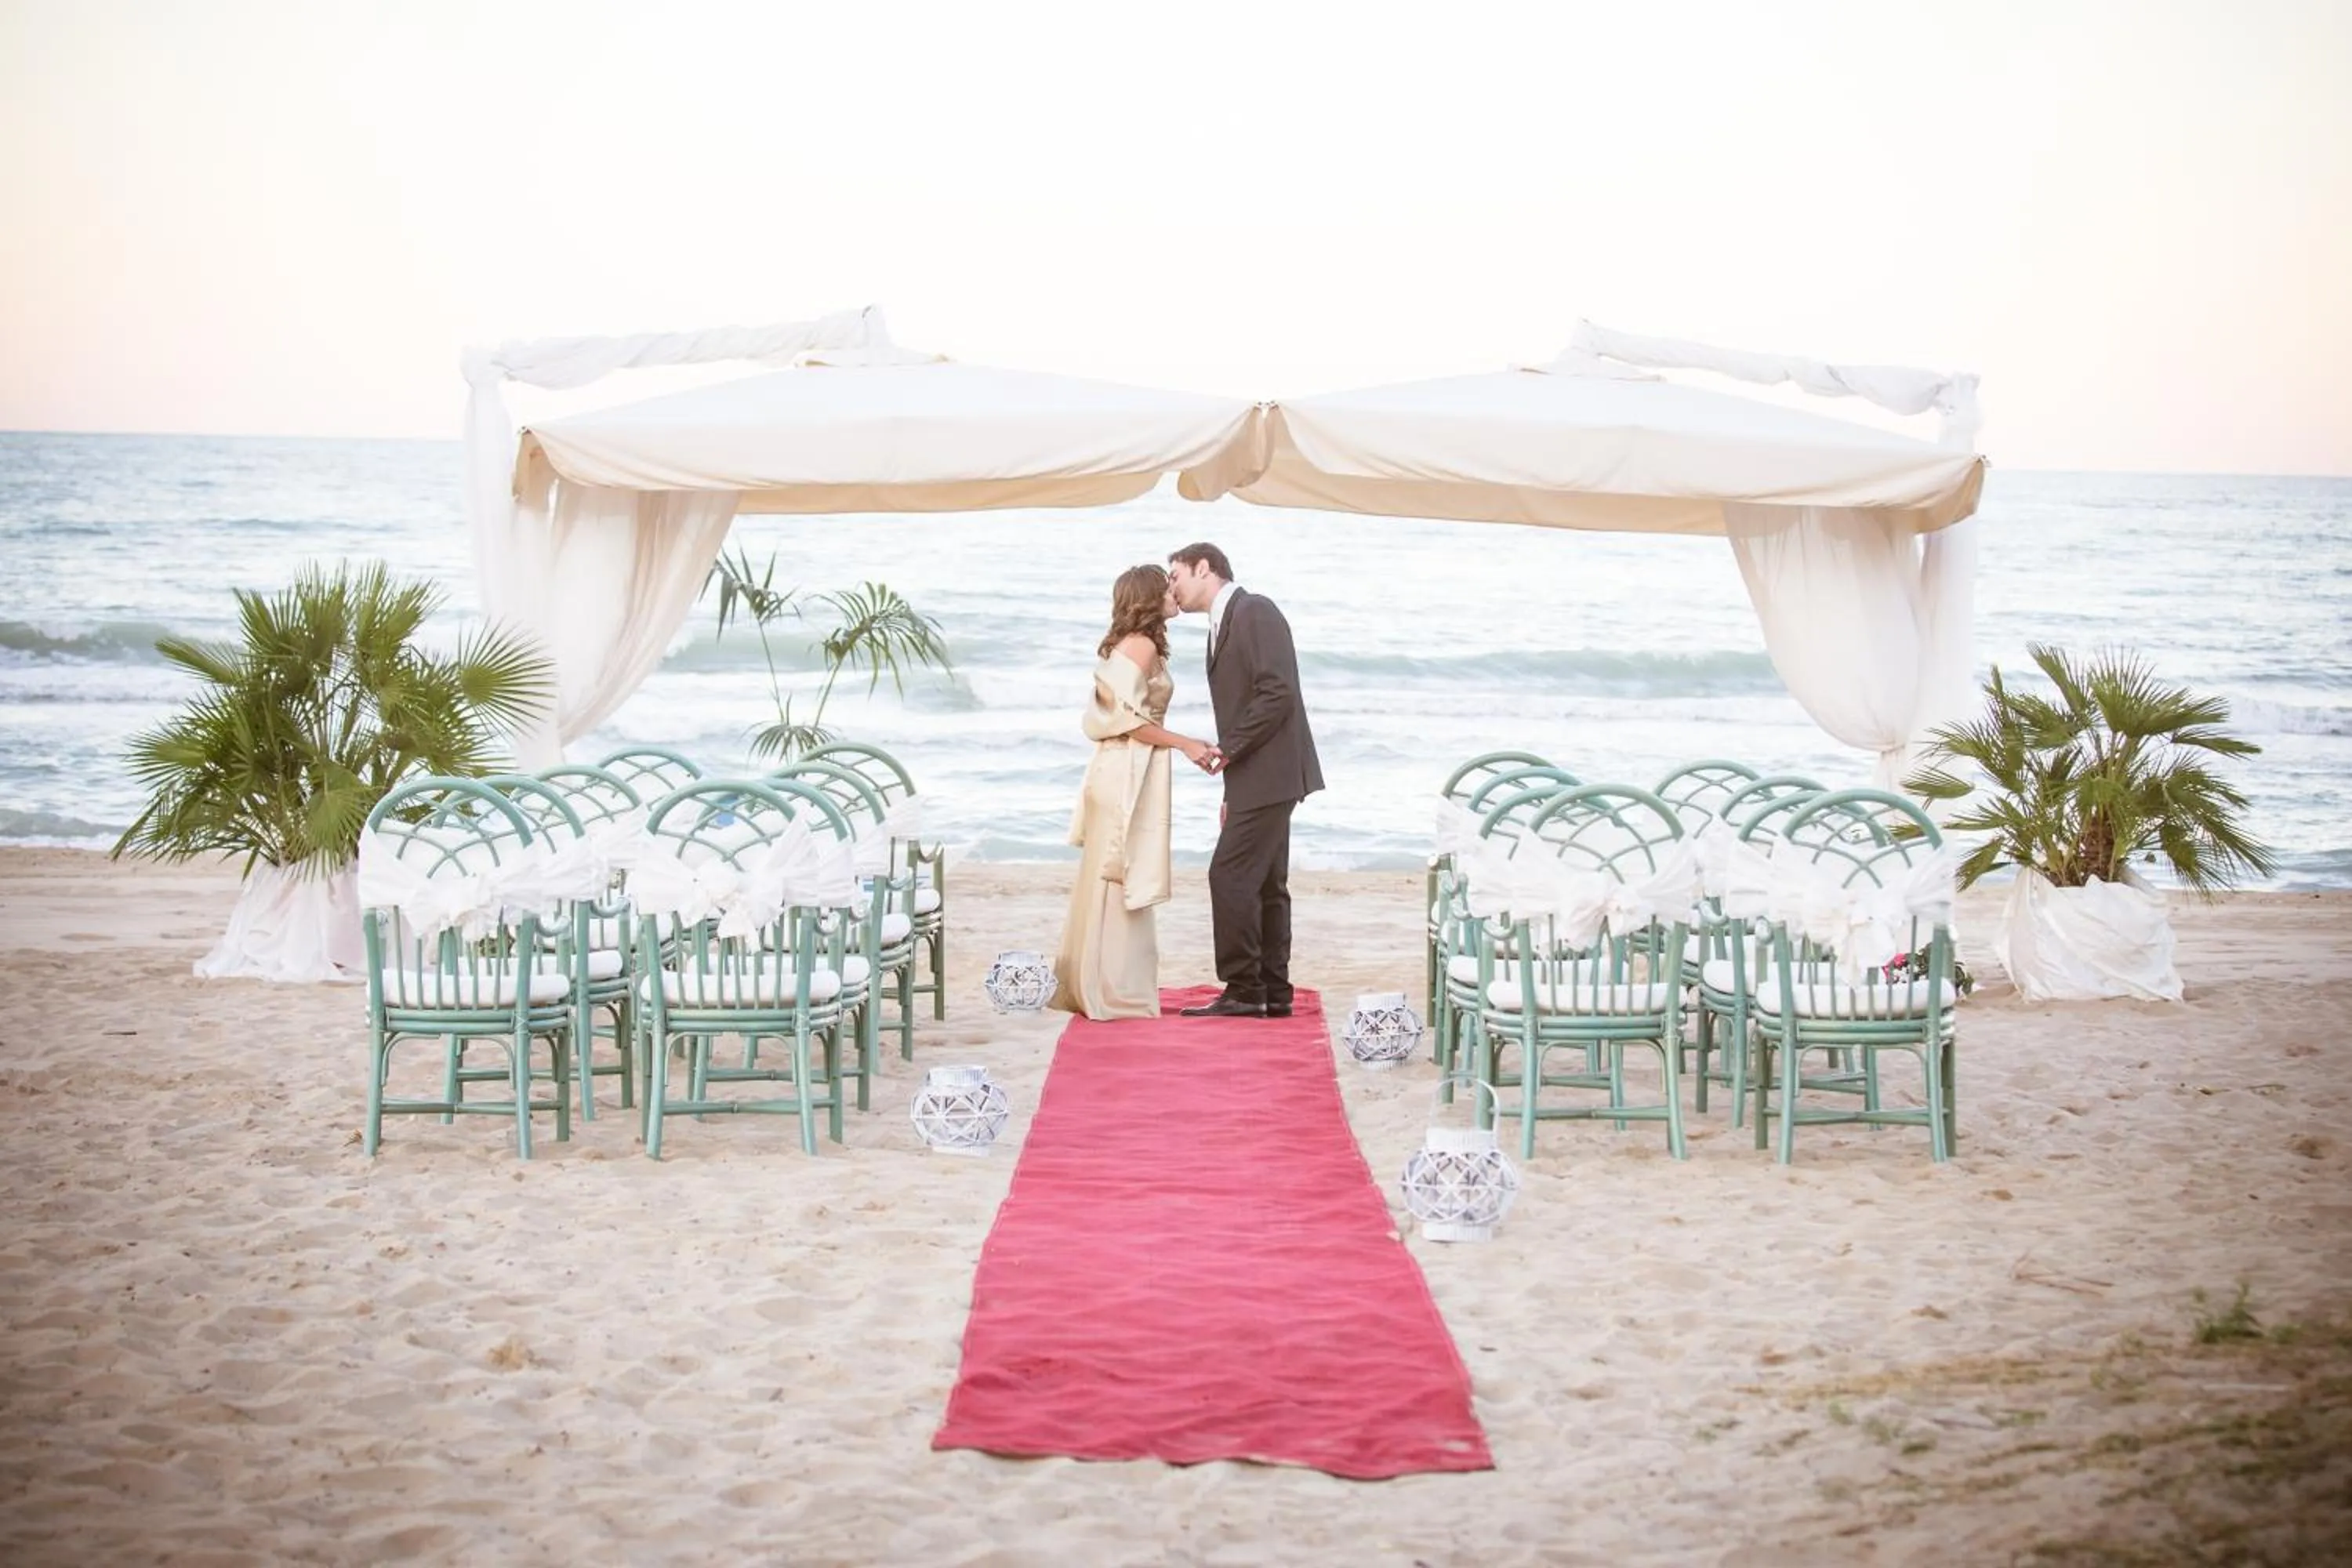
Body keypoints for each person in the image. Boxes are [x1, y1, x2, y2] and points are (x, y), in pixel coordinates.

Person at [1049, 564, 1219, 1021]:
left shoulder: (1139, 645)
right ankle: (1111, 988)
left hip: (1128, 766)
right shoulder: (1140, 646)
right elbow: (1127, 721)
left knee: (1118, 871)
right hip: (1124, 767)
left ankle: (1108, 980)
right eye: (1167, 587)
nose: (1175, 593)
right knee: (1118, 871)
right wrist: (1186, 744)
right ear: (1148, 598)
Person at [1165, 543, 1323, 1020]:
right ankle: (1273, 991)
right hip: (1260, 775)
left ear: (1204, 568)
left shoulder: (1254, 610)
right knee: (1266, 882)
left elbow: (1278, 692)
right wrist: (1234, 785)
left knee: (1229, 874)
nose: (1172, 586)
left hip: (1273, 769)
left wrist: (1227, 751)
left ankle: (1243, 988)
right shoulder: (1220, 624)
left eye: (1176, 576)